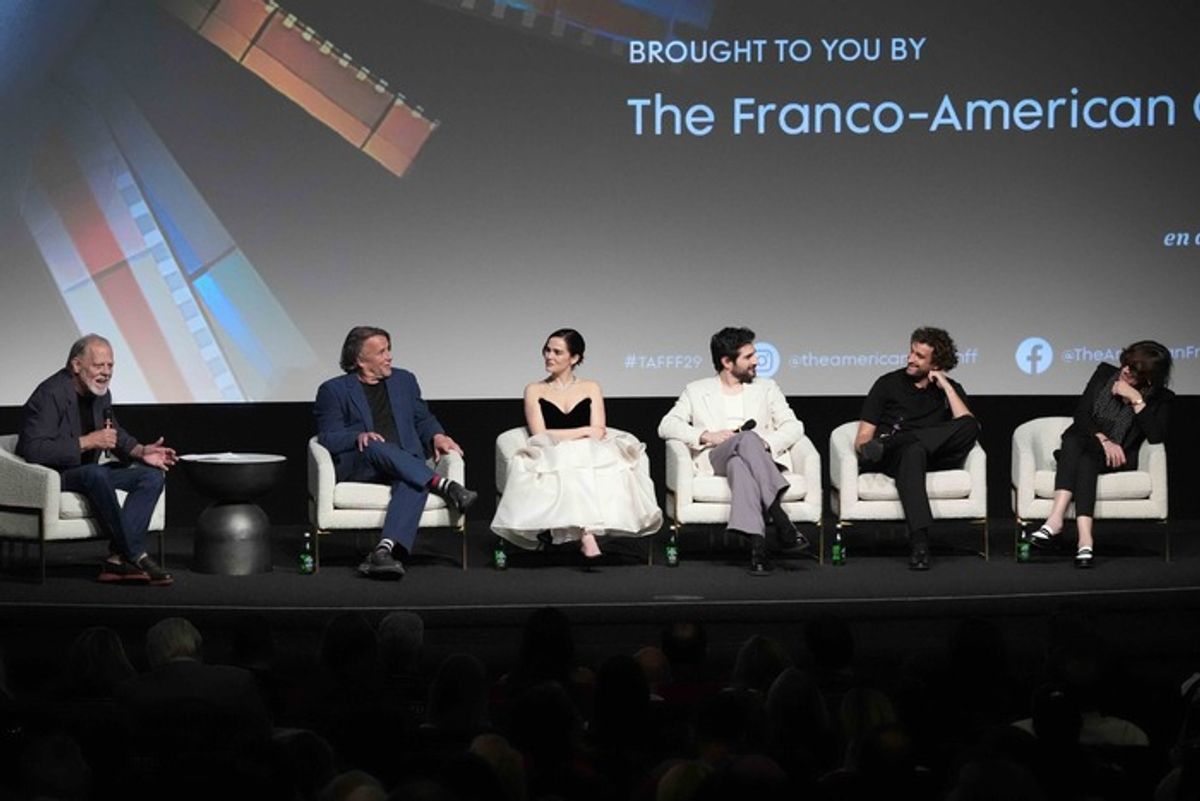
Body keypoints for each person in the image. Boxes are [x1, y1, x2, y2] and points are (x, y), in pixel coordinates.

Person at [314, 326, 476, 579]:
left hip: (405, 464)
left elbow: (423, 418)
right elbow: (328, 436)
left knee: (412, 479)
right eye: (381, 352)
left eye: (389, 349)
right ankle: (443, 484)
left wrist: (438, 435)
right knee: (374, 444)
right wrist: (358, 436)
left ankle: (383, 552)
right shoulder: (333, 390)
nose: (389, 356)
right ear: (359, 359)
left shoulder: (405, 380)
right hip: (363, 466)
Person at [490, 328, 661, 565]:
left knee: (593, 462)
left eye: (557, 352)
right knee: (569, 459)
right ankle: (586, 533)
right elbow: (540, 433)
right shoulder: (534, 389)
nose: (549, 356)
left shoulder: (591, 387)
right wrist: (582, 431)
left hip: (590, 449)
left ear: (575, 358)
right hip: (549, 451)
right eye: (547, 350)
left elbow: (599, 430)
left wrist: (585, 435)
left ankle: (586, 531)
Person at [17, 334, 176, 585]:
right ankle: (136, 555)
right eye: (98, 365)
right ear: (76, 365)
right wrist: (88, 441)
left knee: (150, 476)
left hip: (89, 471)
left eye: (110, 366)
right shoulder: (50, 394)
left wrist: (142, 451)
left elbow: (115, 435)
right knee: (95, 473)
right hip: (57, 474)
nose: (106, 372)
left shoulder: (101, 394)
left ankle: (116, 560)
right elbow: (32, 449)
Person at [658, 326, 808, 575]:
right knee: (746, 439)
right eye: (748, 357)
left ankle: (758, 549)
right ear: (727, 362)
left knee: (741, 460)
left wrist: (767, 444)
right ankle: (780, 518)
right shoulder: (696, 390)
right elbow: (666, 425)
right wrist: (706, 435)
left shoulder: (767, 388)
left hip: (757, 458)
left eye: (754, 355)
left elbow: (794, 426)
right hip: (715, 457)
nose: (756, 361)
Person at [1028, 340, 1173, 568]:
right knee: (1078, 444)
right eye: (1126, 363)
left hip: (1117, 458)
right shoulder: (1105, 373)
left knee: (1076, 445)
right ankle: (1084, 540)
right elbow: (1082, 414)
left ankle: (1055, 522)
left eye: (1133, 370)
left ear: (1149, 377)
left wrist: (1136, 399)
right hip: (1088, 444)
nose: (1125, 370)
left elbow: (1155, 436)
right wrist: (1104, 440)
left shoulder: (1161, 397)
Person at [855, 326, 978, 570]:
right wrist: (874, 447)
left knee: (970, 426)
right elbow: (862, 440)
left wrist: (945, 385)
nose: (911, 359)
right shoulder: (887, 384)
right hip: (891, 457)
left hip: (926, 453)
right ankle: (920, 543)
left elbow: (967, 424)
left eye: (920, 356)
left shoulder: (947, 389)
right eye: (911, 352)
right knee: (913, 451)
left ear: (936, 363)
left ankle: (898, 440)